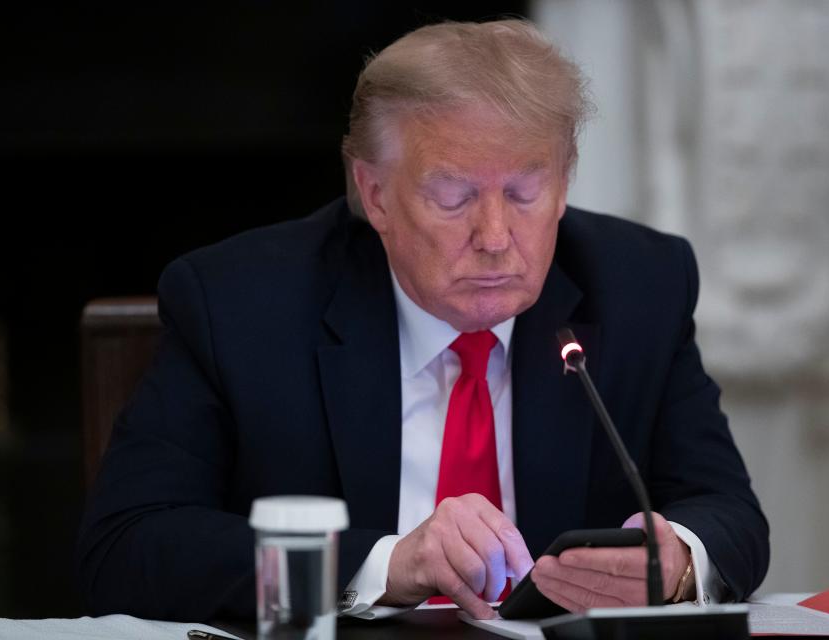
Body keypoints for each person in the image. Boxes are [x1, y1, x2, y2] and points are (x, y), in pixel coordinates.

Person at [77, 19, 768, 622]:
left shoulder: (640, 287)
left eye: (526, 192)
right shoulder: (240, 302)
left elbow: (727, 510)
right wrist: (385, 565)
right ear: (374, 193)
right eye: (454, 196)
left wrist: (678, 559)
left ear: (564, 183)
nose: (496, 235)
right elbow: (126, 546)